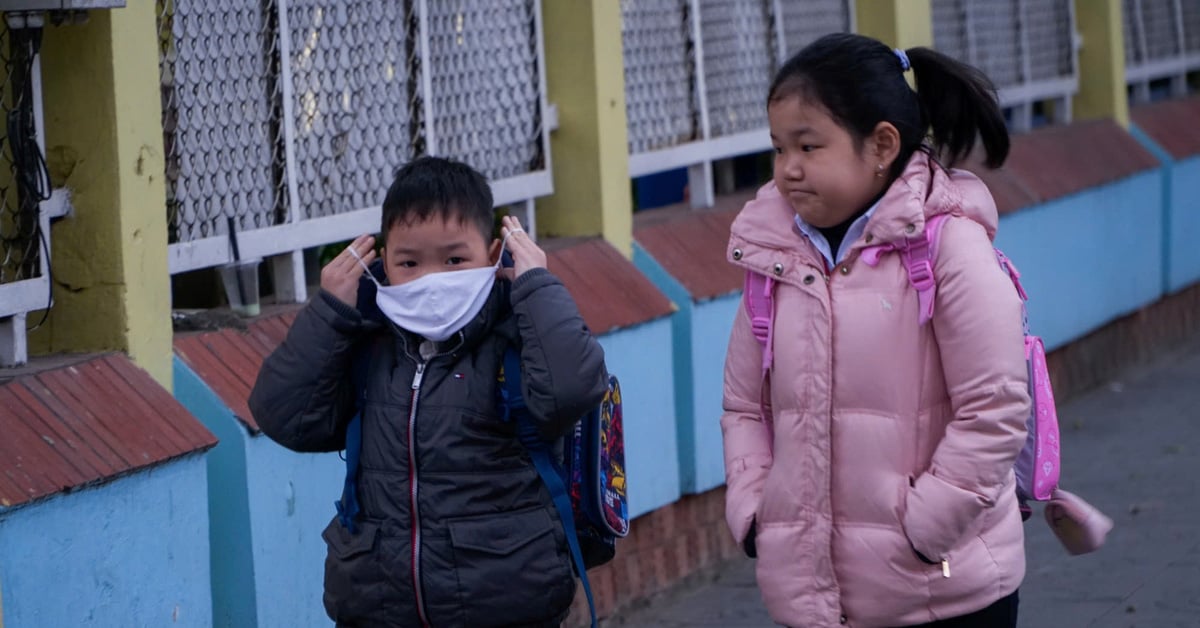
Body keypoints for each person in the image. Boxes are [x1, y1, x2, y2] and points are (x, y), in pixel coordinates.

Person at [721, 32, 1028, 628]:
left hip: (944, 591)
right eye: (778, 149)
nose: (788, 169)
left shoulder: (947, 247)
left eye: (808, 146)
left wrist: (923, 531)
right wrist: (755, 512)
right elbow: (743, 406)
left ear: (882, 143)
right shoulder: (773, 255)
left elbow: (994, 410)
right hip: (812, 593)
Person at [249, 156, 608, 627]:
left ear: (495, 251)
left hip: (506, 604)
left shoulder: (517, 337)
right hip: (381, 606)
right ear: (383, 261)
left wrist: (535, 283)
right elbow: (284, 416)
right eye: (409, 262)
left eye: (455, 259)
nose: (433, 279)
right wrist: (331, 310)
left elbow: (572, 390)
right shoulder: (369, 344)